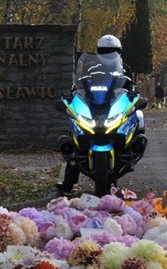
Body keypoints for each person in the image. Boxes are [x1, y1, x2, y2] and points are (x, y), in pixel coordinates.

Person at [57, 34, 133, 193]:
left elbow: (130, 88)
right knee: (75, 138)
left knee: (134, 120)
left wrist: (133, 96)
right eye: (105, 50)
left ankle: (129, 152)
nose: (109, 54)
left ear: (119, 51)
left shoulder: (125, 69)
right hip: (93, 105)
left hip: (111, 105)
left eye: (112, 50)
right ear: (98, 51)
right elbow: (78, 85)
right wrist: (72, 95)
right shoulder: (89, 67)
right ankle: (68, 183)